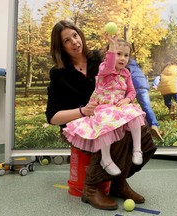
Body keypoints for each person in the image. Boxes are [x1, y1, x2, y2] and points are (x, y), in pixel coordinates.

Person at [45, 20, 157, 210]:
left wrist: (128, 99)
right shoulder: (59, 74)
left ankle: (118, 183)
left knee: (142, 132)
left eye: (75, 35)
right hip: (80, 123)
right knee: (114, 131)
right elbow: (52, 117)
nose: (74, 42)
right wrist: (83, 111)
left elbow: (122, 71)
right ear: (60, 47)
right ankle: (91, 187)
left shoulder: (98, 59)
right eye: (66, 40)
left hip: (111, 113)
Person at [63, 35, 146, 176]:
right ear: (109, 55)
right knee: (105, 123)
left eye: (126, 55)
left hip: (119, 106)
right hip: (104, 106)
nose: (122, 58)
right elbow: (109, 63)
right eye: (118, 54)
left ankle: (137, 149)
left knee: (134, 114)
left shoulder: (126, 73)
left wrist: (127, 100)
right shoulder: (105, 69)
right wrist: (112, 47)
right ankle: (106, 159)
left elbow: (132, 91)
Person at [127, 59, 163, 141]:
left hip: (132, 86)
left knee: (127, 107)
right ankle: (154, 125)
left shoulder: (125, 66)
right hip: (143, 86)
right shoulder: (137, 67)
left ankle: (131, 128)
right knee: (147, 106)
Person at [158, 57, 177, 121]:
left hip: (166, 90)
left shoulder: (163, 71)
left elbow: (160, 79)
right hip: (176, 88)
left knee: (167, 102)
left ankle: (170, 107)